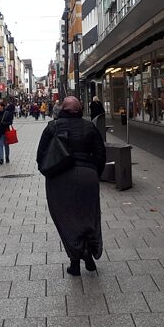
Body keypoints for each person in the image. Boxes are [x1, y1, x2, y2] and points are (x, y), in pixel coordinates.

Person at [36, 96, 107, 276]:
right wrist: (94, 173)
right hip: (87, 176)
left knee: (65, 217)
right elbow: (100, 154)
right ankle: (89, 249)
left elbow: (41, 155)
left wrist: (50, 173)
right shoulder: (89, 126)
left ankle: (75, 260)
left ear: (63, 109)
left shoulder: (52, 127)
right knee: (88, 214)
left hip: (60, 178)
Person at [0, 100, 16, 165]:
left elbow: (10, 122)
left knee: (6, 145)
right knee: (0, 145)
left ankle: (7, 157)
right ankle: (1, 159)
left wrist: (3, 123)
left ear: (2, 107)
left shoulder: (7, 113)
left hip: (6, 131)